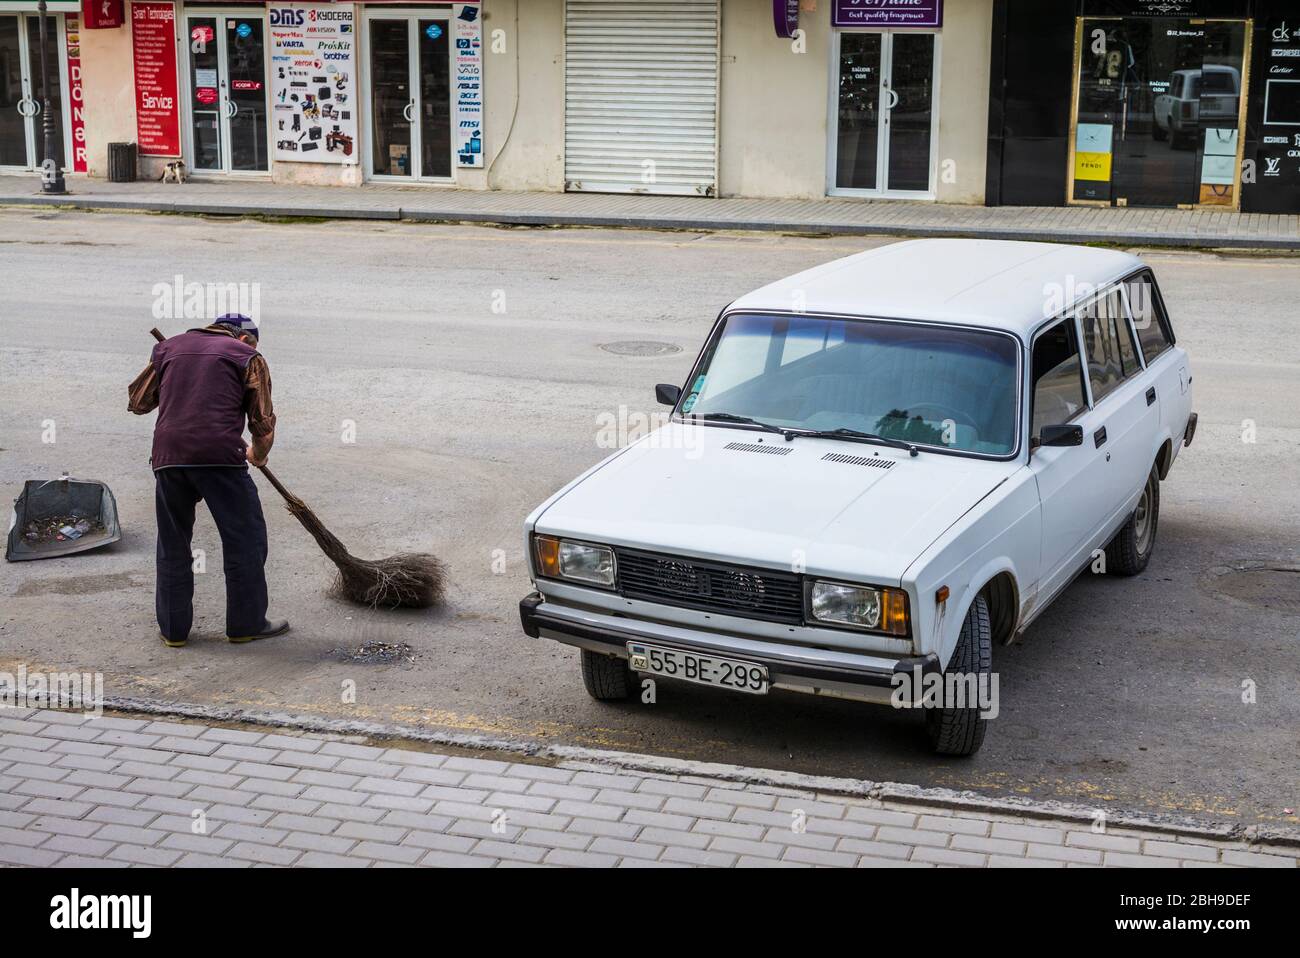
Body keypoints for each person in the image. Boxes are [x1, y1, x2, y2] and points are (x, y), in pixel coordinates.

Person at [128, 314, 289, 647]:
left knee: (172, 543)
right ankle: (246, 625)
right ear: (245, 340)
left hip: (168, 459)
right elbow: (262, 423)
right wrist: (259, 454)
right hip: (220, 459)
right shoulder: (247, 356)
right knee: (246, 539)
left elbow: (139, 402)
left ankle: (173, 631)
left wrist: (172, 368)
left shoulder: (169, 348)